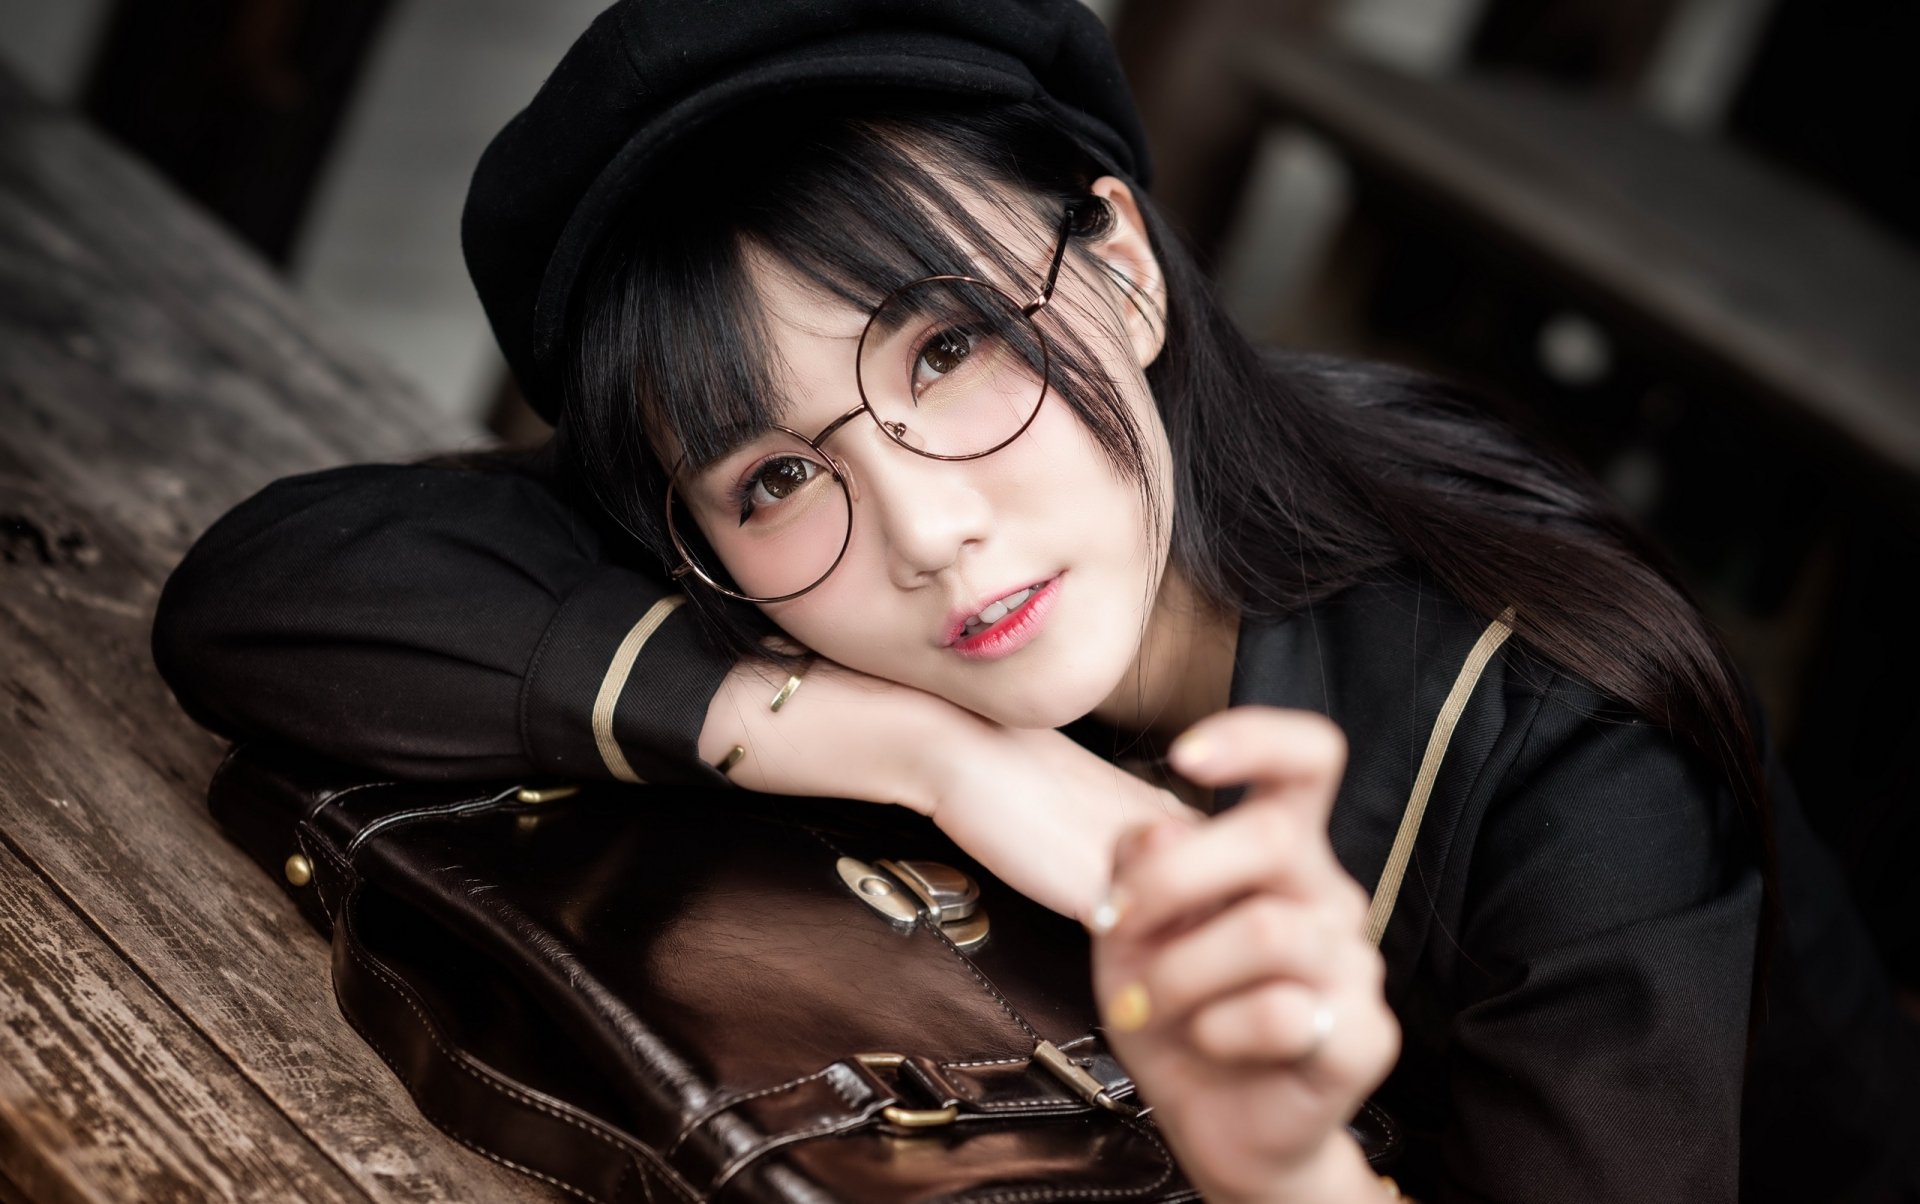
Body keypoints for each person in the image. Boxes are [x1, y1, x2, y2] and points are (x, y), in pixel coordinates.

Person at [150, 1, 1917, 1200]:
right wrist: (929, 753)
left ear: (1124, 267)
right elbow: (267, 592)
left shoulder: (1562, 747)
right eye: (770, 473)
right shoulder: (810, 575)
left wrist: (1282, 1166)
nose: (919, 528)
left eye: (954, 346)